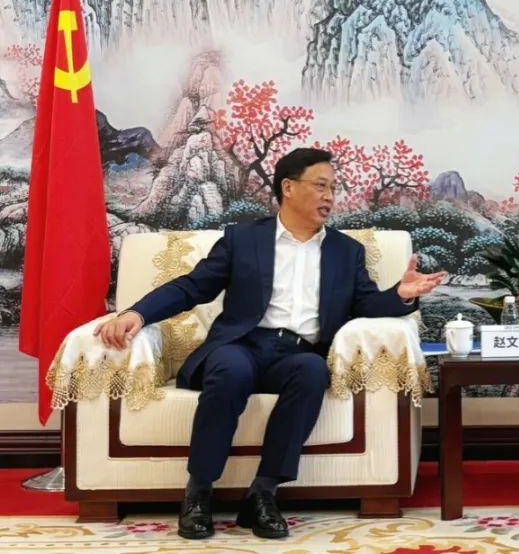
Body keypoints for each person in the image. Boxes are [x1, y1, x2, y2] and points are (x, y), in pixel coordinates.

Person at [94, 147, 447, 540]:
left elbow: (365, 305)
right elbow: (193, 286)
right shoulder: (244, 239)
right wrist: (137, 313)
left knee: (312, 372)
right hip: (241, 344)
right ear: (288, 187)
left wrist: (400, 295)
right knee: (230, 370)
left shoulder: (345, 252)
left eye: (333, 188)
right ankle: (199, 491)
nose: (329, 196)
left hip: (298, 353)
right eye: (321, 185)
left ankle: (263, 493)